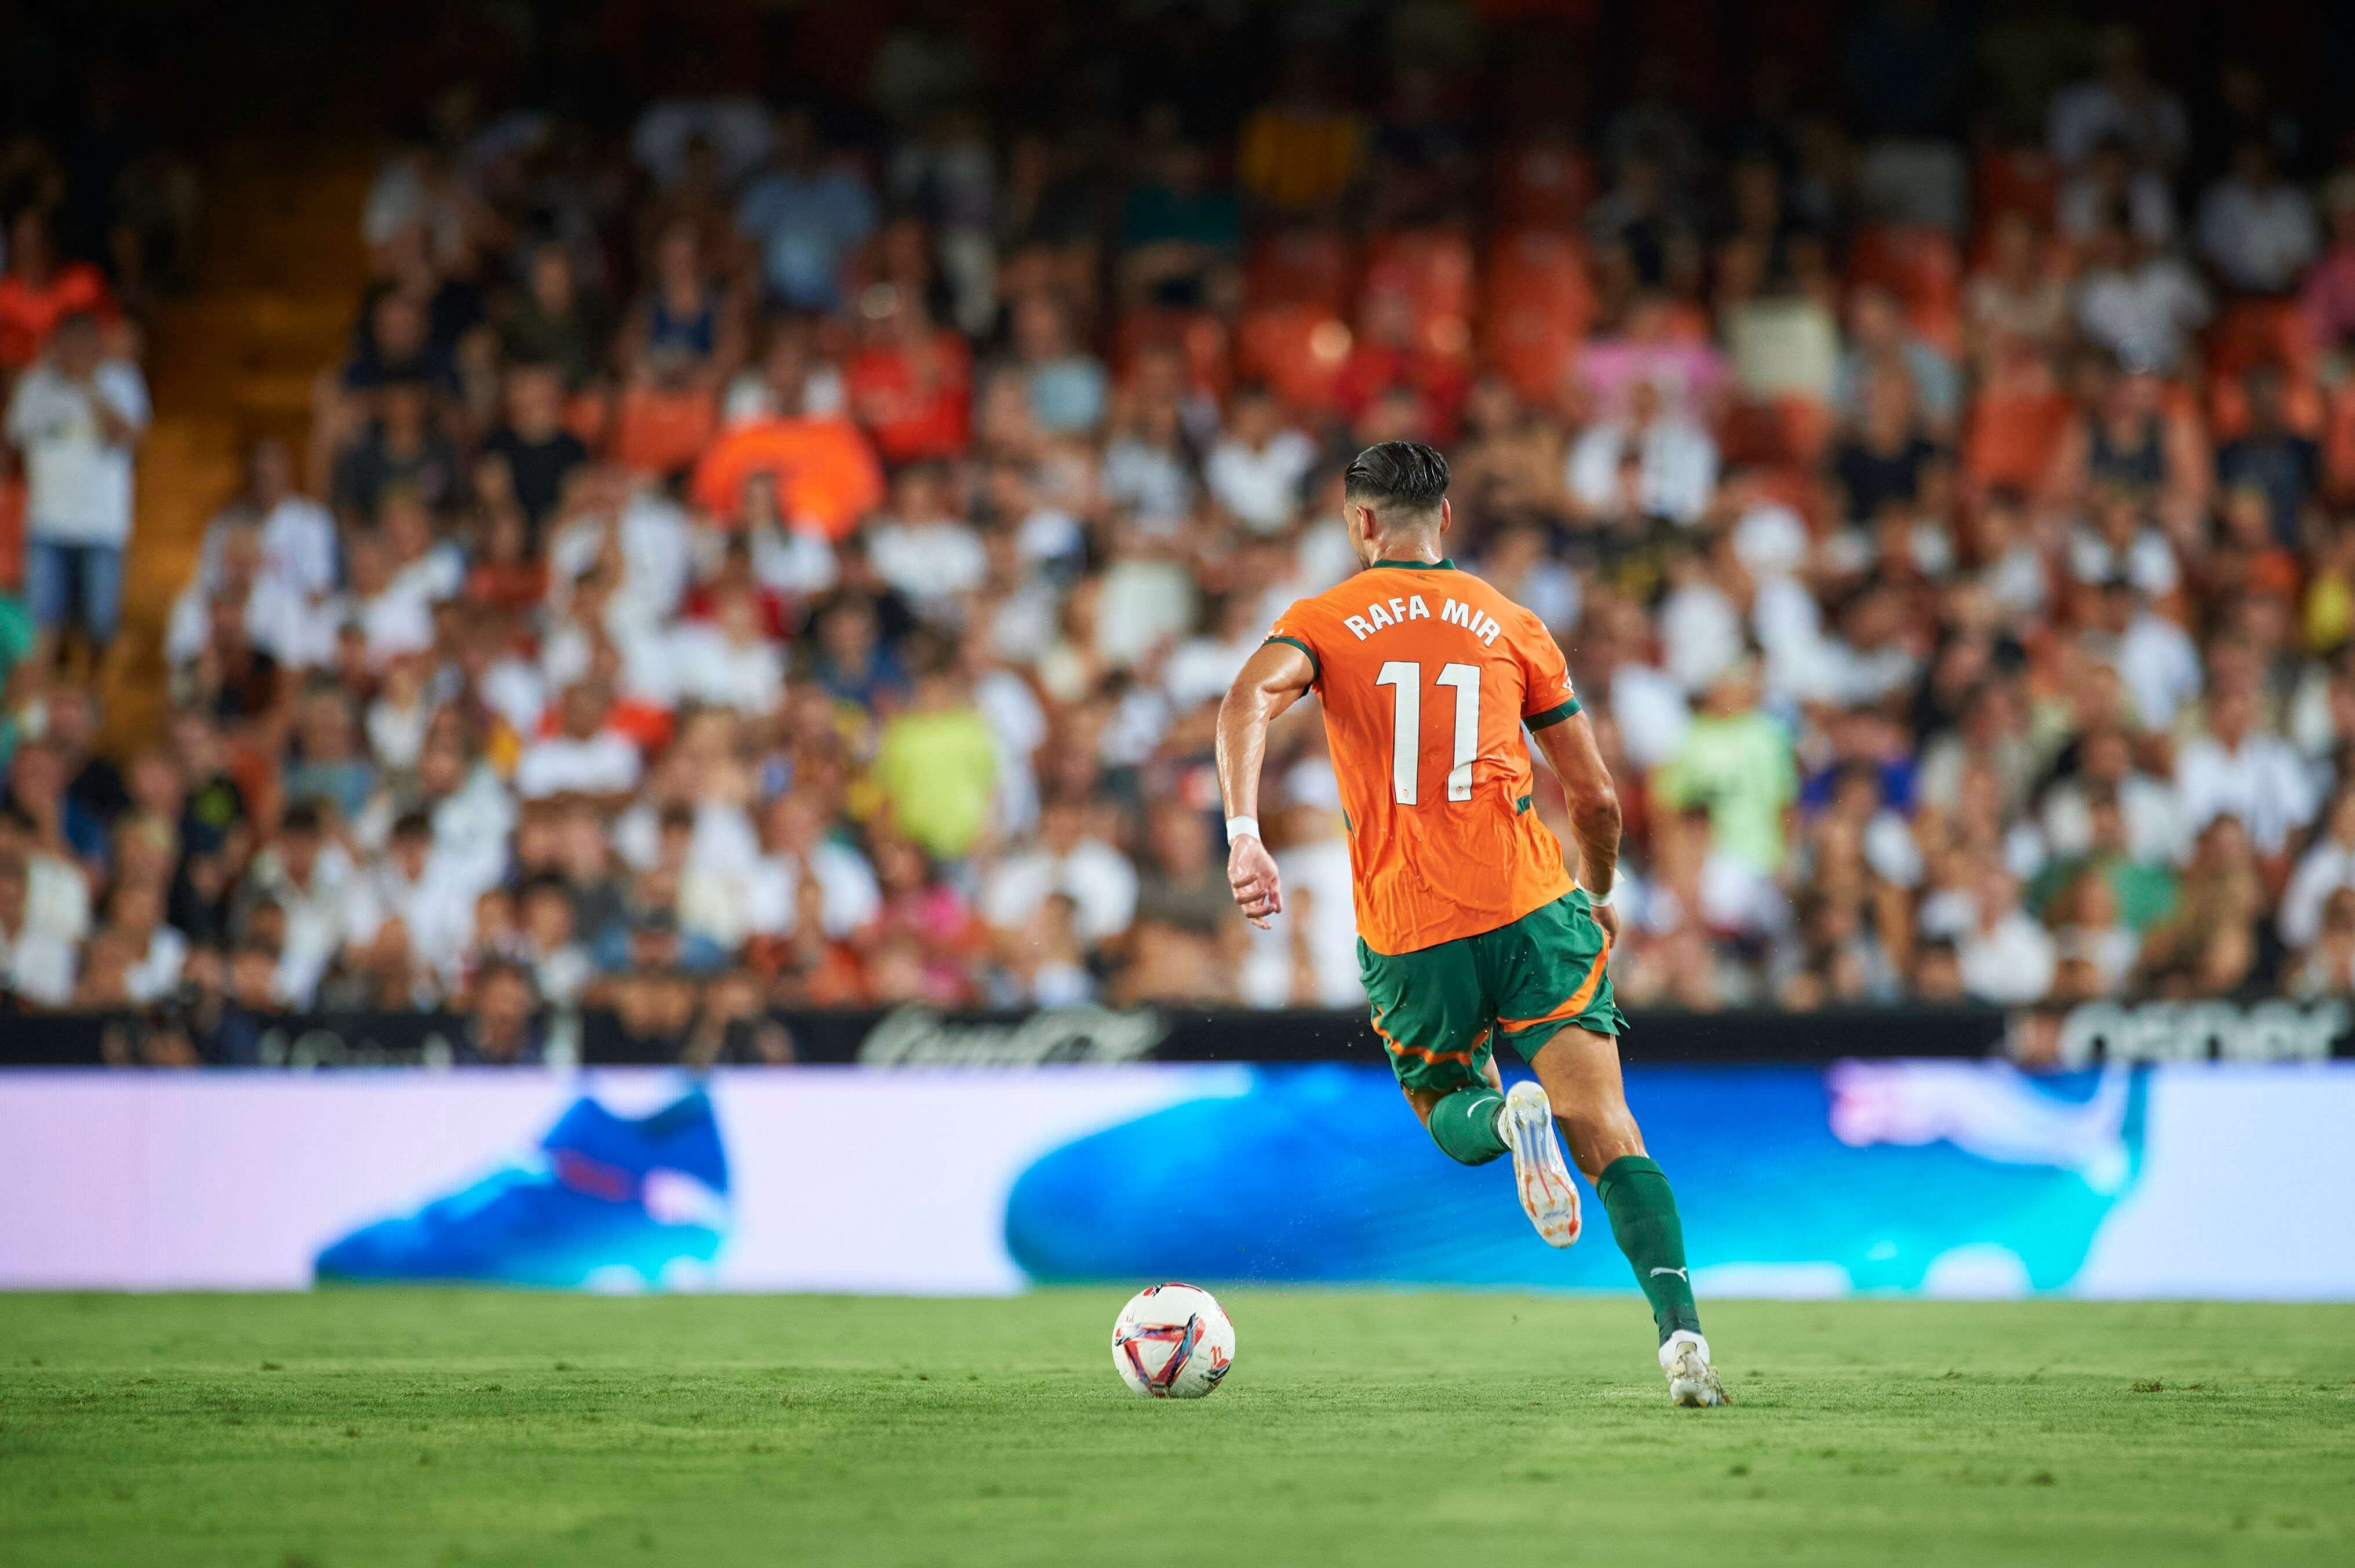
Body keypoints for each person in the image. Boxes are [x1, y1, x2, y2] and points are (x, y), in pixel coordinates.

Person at [1214, 440, 1726, 1407]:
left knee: (1448, 1102)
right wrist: (1601, 890)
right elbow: (1599, 797)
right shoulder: (1509, 619)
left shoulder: (1324, 620)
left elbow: (1247, 699)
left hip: (1413, 926)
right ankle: (1682, 1340)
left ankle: (1505, 1115)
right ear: (1444, 518)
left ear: (1361, 521)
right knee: (1609, 1125)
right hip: (1535, 908)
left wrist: (1246, 835)